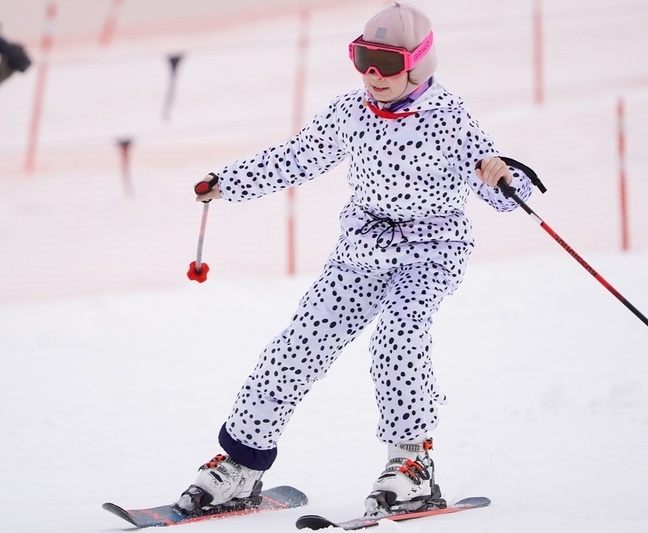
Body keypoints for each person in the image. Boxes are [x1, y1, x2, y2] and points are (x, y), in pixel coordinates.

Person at [176, 2, 533, 517]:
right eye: (363, 57)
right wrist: (227, 183)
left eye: (386, 63)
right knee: (298, 345)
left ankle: (411, 465)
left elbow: (500, 191)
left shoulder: (449, 119)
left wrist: (503, 176)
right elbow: (298, 156)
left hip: (429, 253)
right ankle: (240, 465)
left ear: (418, 64)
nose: (373, 74)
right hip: (361, 251)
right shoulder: (352, 110)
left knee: (399, 333)